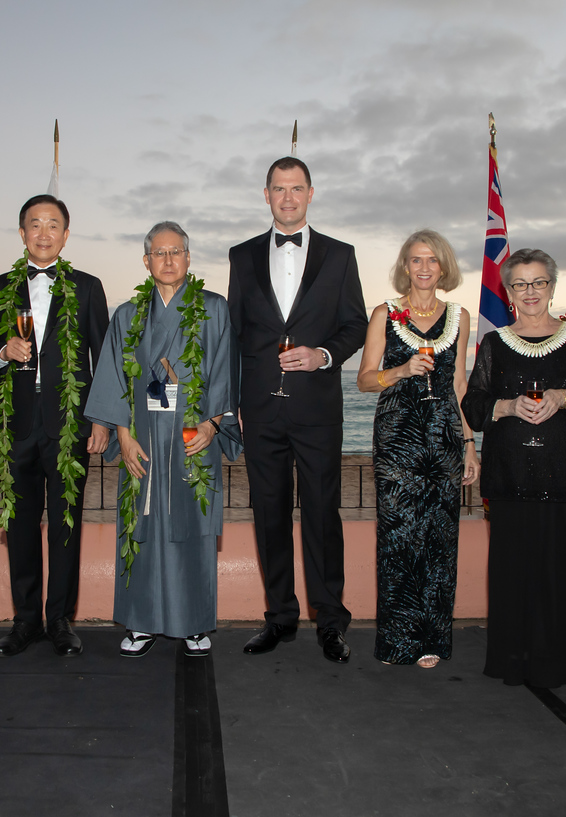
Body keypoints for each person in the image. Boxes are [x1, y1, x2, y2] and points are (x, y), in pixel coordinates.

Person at [228, 157, 368, 664]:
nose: (288, 198)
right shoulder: (240, 256)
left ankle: (331, 622)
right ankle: (280, 618)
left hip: (317, 409)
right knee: (268, 516)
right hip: (260, 410)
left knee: (322, 517)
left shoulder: (340, 255)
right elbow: (234, 336)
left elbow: (355, 324)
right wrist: (231, 405)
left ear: (311, 193)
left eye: (297, 189)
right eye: (279, 189)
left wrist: (322, 355)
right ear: (265, 194)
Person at [86, 221, 239, 657]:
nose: (168, 260)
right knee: (142, 524)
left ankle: (193, 623)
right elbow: (114, 377)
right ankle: (141, 621)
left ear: (188, 259)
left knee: (194, 525)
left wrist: (211, 425)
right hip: (145, 438)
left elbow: (226, 371)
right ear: (146, 260)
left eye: (176, 252)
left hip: (193, 437)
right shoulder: (127, 315)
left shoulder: (213, 308)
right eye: (159, 252)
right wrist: (122, 434)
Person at [462, 248, 566, 687]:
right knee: (516, 573)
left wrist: (565, 398)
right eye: (520, 284)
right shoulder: (494, 344)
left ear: (552, 286)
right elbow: (473, 407)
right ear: (508, 291)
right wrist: (507, 406)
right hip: (511, 475)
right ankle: (517, 660)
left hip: (565, 473)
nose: (530, 292)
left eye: (539, 282)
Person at [0, 194, 110, 657]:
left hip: (70, 423)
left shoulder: (88, 286)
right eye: (35, 224)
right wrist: (1, 351)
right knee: (20, 525)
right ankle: (24, 621)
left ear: (66, 235)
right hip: (15, 423)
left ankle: (60, 622)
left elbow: (105, 357)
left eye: (53, 225)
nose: (44, 232)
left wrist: (101, 419)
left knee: (65, 526)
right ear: (22, 232)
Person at [356, 229, 478, 668]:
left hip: (444, 437)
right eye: (415, 260)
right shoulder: (384, 315)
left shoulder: (460, 316)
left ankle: (431, 641)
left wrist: (469, 444)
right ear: (404, 267)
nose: (424, 268)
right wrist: (403, 369)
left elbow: (460, 385)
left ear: (443, 266)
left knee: (440, 541)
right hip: (397, 440)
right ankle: (396, 642)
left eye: (432, 260)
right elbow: (365, 378)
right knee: (398, 540)